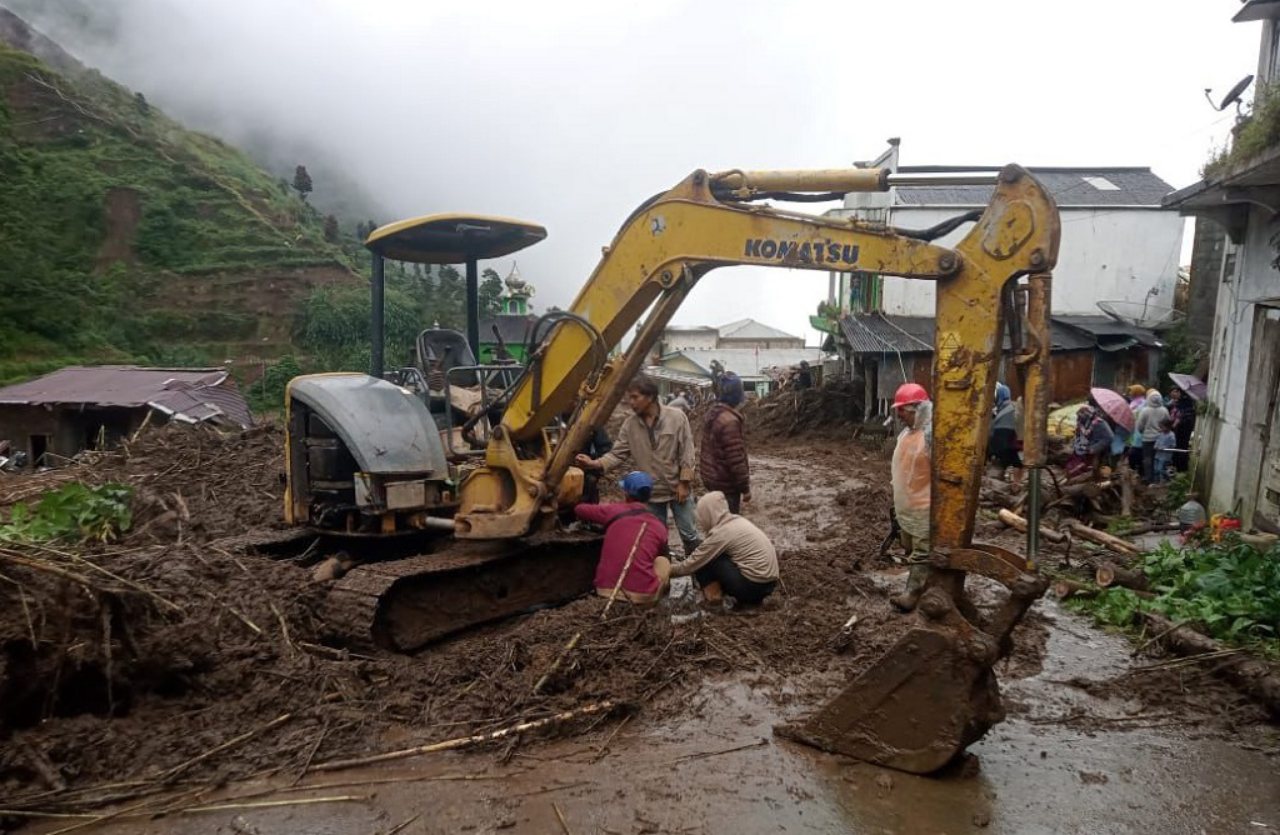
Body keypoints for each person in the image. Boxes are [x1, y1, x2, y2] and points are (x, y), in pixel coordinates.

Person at [576, 375, 700, 556]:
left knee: (689, 534)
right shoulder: (630, 425)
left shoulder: (677, 418)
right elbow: (617, 453)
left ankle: (700, 575)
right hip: (651, 492)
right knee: (658, 537)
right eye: (629, 398)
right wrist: (595, 463)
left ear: (649, 397)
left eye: (635, 397)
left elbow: (687, 452)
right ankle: (662, 578)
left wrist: (685, 482)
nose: (630, 402)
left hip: (677, 488)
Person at [573, 471, 671, 605]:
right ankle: (654, 603)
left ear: (625, 493)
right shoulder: (659, 525)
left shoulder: (613, 510)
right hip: (640, 595)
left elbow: (580, 509)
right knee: (663, 561)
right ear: (649, 496)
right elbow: (661, 551)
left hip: (604, 591)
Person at [670, 491, 778, 606]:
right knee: (711, 553)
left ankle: (714, 597)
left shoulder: (721, 534)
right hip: (770, 585)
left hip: (752, 588)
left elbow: (691, 564)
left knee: (704, 559)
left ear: (708, 514)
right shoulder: (737, 521)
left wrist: (670, 570)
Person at [888, 382, 933, 612]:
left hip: (925, 505)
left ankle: (913, 594)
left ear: (917, 409)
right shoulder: (907, 433)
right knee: (909, 545)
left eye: (902, 411)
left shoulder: (932, 434)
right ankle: (923, 583)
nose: (899, 416)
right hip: (907, 502)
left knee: (922, 550)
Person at [699, 372, 751, 514]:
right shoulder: (730, 422)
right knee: (729, 525)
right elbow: (736, 460)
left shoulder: (713, 414)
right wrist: (745, 488)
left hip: (712, 480)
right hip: (726, 485)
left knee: (717, 522)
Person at [988, 382, 1023, 487]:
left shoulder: (1004, 408)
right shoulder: (1011, 406)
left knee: (1006, 461)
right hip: (1009, 438)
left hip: (1002, 439)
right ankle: (1015, 483)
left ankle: (1012, 484)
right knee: (1015, 462)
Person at [1134, 388, 1170, 484]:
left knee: (1147, 459)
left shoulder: (1145, 411)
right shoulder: (1164, 410)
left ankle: (1149, 478)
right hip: (1161, 439)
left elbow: (1140, 426)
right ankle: (1158, 479)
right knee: (1159, 459)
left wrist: (1143, 432)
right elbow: (1168, 423)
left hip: (1147, 439)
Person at [578, 426, 613, 504]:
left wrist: (592, 461)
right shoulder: (552, 420)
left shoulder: (590, 422)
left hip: (586, 477)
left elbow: (606, 450)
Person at [1167, 386, 1195, 472]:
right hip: (1176, 428)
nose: (1173, 397)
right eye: (1171, 395)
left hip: (1184, 427)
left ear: (1178, 392)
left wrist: (1178, 420)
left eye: (1174, 394)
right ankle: (1176, 465)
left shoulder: (1186, 401)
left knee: (1182, 446)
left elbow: (1185, 414)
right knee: (1176, 446)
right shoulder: (1175, 402)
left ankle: (1182, 467)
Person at [1153, 419, 1176, 484]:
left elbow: (1173, 445)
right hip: (1158, 454)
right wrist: (1156, 446)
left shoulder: (1171, 435)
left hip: (1165, 455)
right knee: (1155, 469)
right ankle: (1156, 481)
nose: (1161, 428)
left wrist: (1164, 448)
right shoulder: (1160, 434)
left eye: (1162, 427)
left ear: (1167, 427)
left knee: (1161, 469)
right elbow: (1157, 441)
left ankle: (1169, 477)